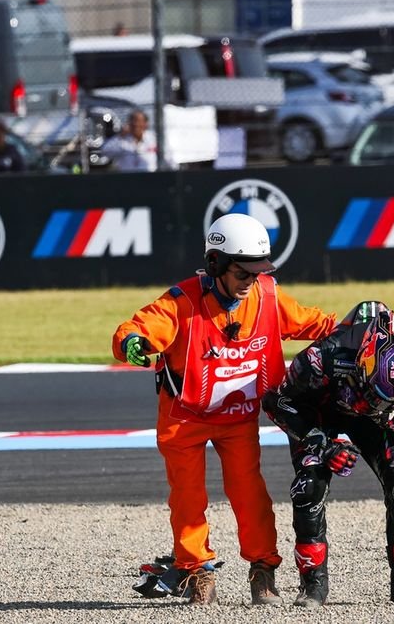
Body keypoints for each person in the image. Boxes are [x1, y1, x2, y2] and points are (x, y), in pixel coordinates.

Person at [112, 213, 337, 606]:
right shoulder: (180, 303)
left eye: (257, 272)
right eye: (243, 272)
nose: (251, 281)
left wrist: (359, 326)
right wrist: (131, 343)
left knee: (250, 493)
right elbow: (140, 328)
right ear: (216, 264)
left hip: (238, 420)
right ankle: (197, 571)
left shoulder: (268, 297)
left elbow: (315, 323)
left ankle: (263, 570)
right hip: (184, 419)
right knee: (187, 497)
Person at [261, 300, 394, 607]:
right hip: (318, 416)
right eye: (379, 392)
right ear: (364, 362)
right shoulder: (323, 356)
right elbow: (276, 403)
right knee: (310, 483)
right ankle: (313, 587)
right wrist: (322, 443)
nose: (383, 400)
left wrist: (386, 415)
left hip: (377, 422)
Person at [99, 109, 172, 171]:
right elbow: (105, 151)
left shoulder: (154, 139)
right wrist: (120, 136)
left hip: (151, 177)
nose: (135, 124)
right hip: (128, 178)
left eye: (138, 121)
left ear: (145, 124)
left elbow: (169, 159)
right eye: (133, 121)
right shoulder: (121, 140)